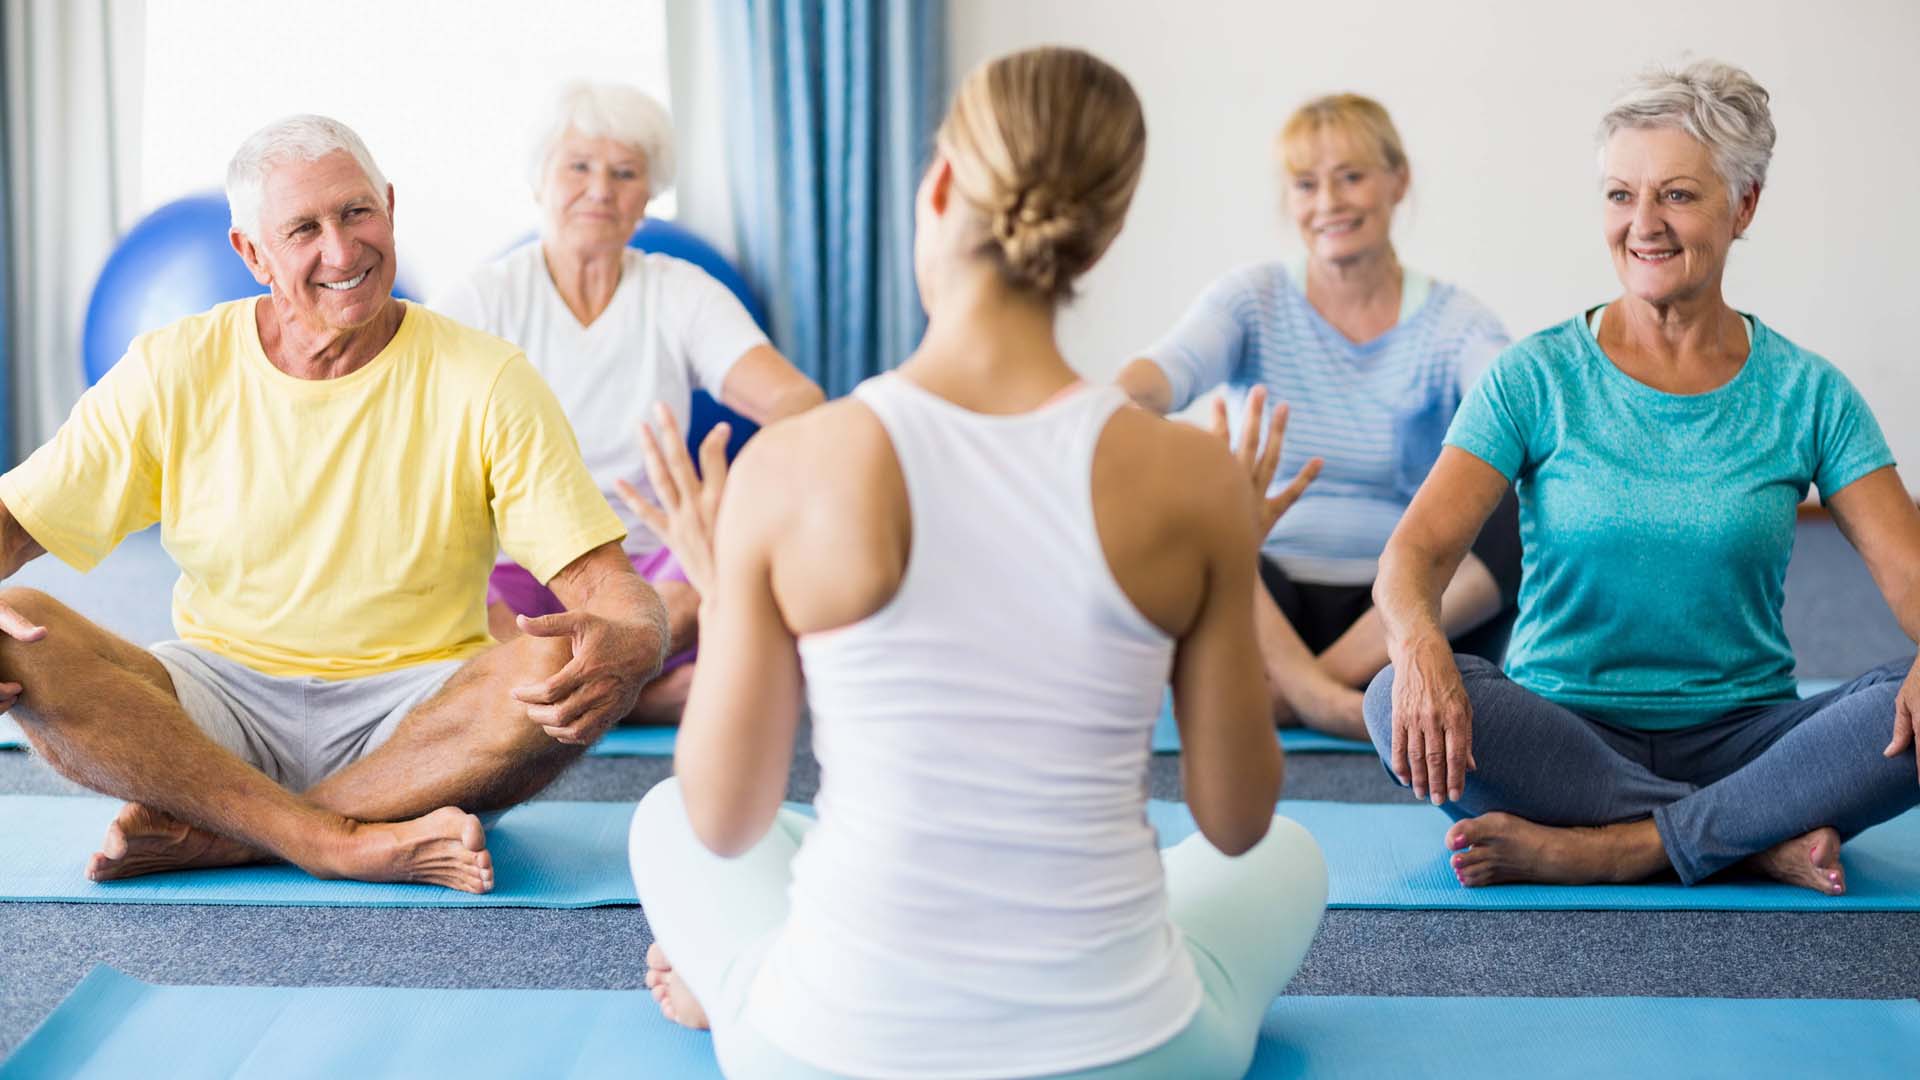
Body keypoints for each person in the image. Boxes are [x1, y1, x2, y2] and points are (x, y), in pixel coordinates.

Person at [626, 47, 1327, 1079]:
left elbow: (725, 819)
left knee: (665, 822)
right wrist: (1225, 554)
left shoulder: (794, 466)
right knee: (1292, 858)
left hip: (829, 1056)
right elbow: (1236, 822)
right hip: (1132, 1058)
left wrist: (728, 595)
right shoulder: (1193, 480)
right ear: (1104, 234)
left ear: (941, 184)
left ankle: (733, 985)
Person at [0, 115, 668, 892]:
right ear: (251, 253)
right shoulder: (173, 366)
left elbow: (605, 585)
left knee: (557, 655)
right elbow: (15, 522)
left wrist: (638, 639)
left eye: (356, 213)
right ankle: (333, 840)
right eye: (304, 230)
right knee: (18, 629)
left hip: (419, 721)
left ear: (388, 206)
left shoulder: (487, 378)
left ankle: (242, 836)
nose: (342, 252)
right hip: (219, 705)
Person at [1365, 60, 1920, 895]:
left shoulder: (1809, 394)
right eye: (1621, 195)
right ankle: (1747, 835)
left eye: (1679, 196)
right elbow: (1413, 557)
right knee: (1387, 698)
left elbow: (1909, 573)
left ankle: (1617, 848)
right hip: (1563, 733)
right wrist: (1417, 647)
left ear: (1745, 206)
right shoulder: (1535, 377)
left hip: (1750, 734)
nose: (1644, 225)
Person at [1116, 93, 1520, 741]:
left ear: (1399, 181)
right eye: (1307, 185)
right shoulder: (1252, 299)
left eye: (1352, 177)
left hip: (1399, 610)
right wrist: (1115, 414)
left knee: (1526, 494)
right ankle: (1333, 703)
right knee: (1175, 473)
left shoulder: (1455, 323)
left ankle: (1296, 694)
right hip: (1264, 599)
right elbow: (1160, 374)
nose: (1328, 203)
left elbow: (1515, 401)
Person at [434, 82, 823, 722]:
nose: (600, 189)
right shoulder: (488, 296)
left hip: (650, 574)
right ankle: (635, 695)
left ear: (647, 197)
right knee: (439, 596)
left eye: (625, 173)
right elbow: (412, 420)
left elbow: (798, 401)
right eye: (579, 167)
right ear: (540, 181)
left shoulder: (680, 292)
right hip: (514, 564)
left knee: (732, 548)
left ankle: (567, 687)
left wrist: (744, 488)